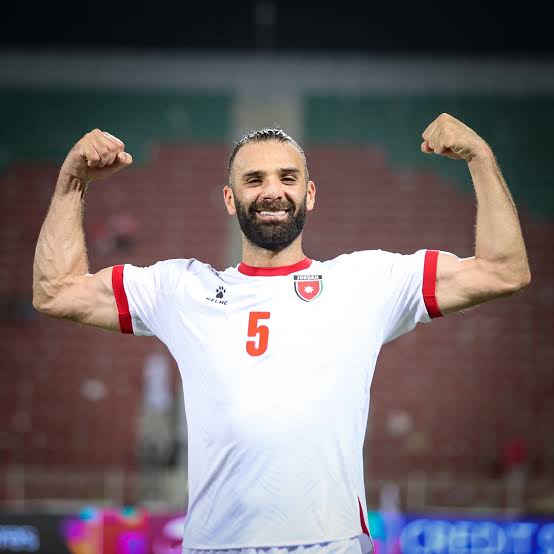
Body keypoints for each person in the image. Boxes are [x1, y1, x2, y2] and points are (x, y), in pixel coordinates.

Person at [32, 114, 531, 554]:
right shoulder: (181, 289)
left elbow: (503, 271)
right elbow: (56, 291)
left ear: (309, 194)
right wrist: (72, 181)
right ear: (230, 199)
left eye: (288, 178)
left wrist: (480, 158)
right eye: (254, 179)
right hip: (214, 546)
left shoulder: (366, 281)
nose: (272, 191)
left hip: (331, 543)